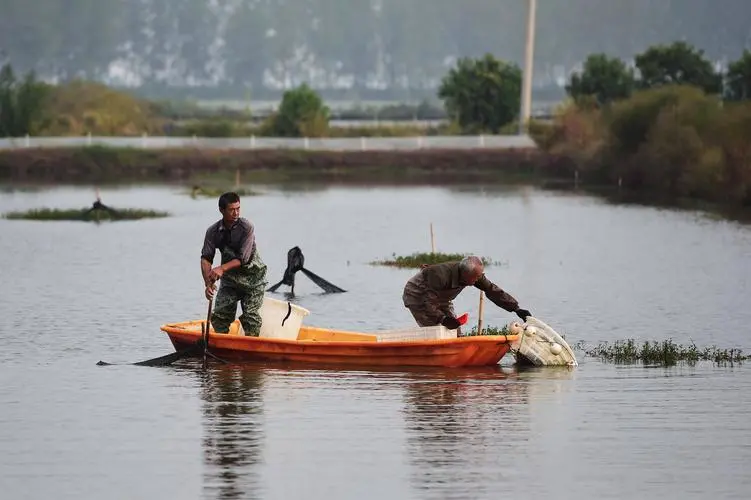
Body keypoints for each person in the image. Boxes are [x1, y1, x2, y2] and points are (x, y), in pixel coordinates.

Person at [402, 255, 531, 331]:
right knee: (435, 328)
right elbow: (428, 302)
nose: (477, 280)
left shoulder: (474, 276)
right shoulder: (440, 275)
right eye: (475, 277)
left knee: (455, 330)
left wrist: (516, 308)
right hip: (417, 295)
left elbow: (493, 290)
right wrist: (442, 318)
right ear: (464, 274)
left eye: (479, 276)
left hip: (441, 297)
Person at [201, 192, 268, 336]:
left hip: (253, 280)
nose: (236, 212)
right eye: (232, 209)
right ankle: (221, 348)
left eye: (238, 208)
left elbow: (243, 258)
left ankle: (251, 352)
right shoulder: (213, 232)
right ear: (222, 210)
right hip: (230, 281)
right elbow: (206, 258)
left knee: (251, 318)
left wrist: (221, 268)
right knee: (219, 317)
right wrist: (208, 284)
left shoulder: (246, 227)